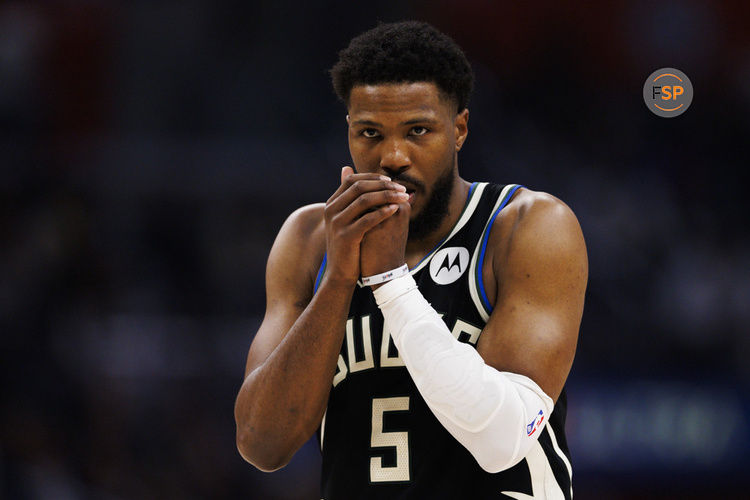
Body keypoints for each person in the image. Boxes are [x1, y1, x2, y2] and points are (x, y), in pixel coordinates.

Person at [234, 20, 587, 500]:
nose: (393, 156)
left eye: (418, 131)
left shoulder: (526, 227)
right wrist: (339, 277)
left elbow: (500, 439)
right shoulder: (310, 240)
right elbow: (261, 444)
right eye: (370, 133)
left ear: (459, 129)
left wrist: (388, 281)